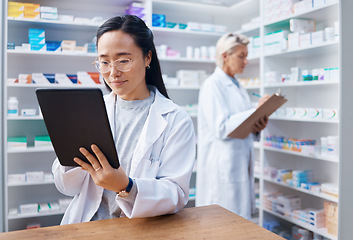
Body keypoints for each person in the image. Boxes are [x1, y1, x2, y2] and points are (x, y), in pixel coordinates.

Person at [52, 15, 196, 224]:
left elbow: (176, 195)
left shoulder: (175, 120)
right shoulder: (89, 111)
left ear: (148, 58)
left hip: (139, 228)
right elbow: (67, 187)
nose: (113, 72)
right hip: (88, 225)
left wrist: (126, 186)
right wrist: (69, 154)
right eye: (104, 62)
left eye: (123, 61)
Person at [196, 33, 269, 220]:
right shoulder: (213, 85)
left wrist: (257, 124)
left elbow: (242, 124)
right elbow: (221, 127)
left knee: (238, 222)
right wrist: (255, 111)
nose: (246, 61)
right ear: (225, 56)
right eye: (241, 56)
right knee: (222, 223)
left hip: (239, 160)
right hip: (222, 166)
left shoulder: (238, 87)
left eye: (246, 55)